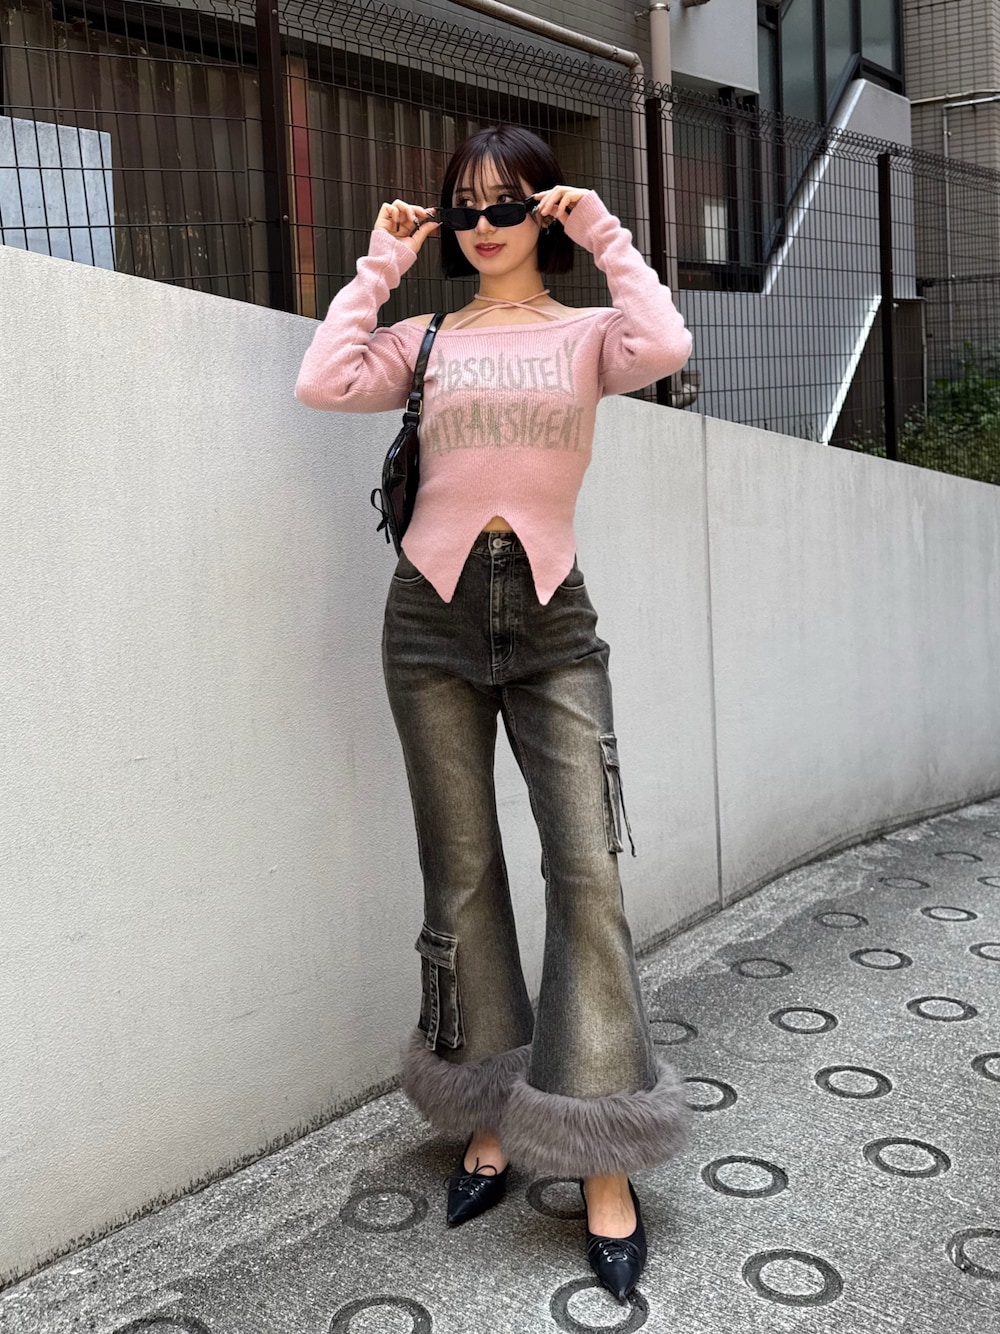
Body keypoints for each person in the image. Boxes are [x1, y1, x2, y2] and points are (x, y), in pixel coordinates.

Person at [295, 124, 692, 1302]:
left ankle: (599, 1150)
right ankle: (486, 1111)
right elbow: (323, 378)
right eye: (463, 207)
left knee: (588, 872)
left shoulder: (587, 333)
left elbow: (665, 341)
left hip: (554, 616)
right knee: (460, 870)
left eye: (507, 204)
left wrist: (601, 230)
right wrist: (379, 261)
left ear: (541, 213)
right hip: (429, 622)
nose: (481, 225)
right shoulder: (424, 339)